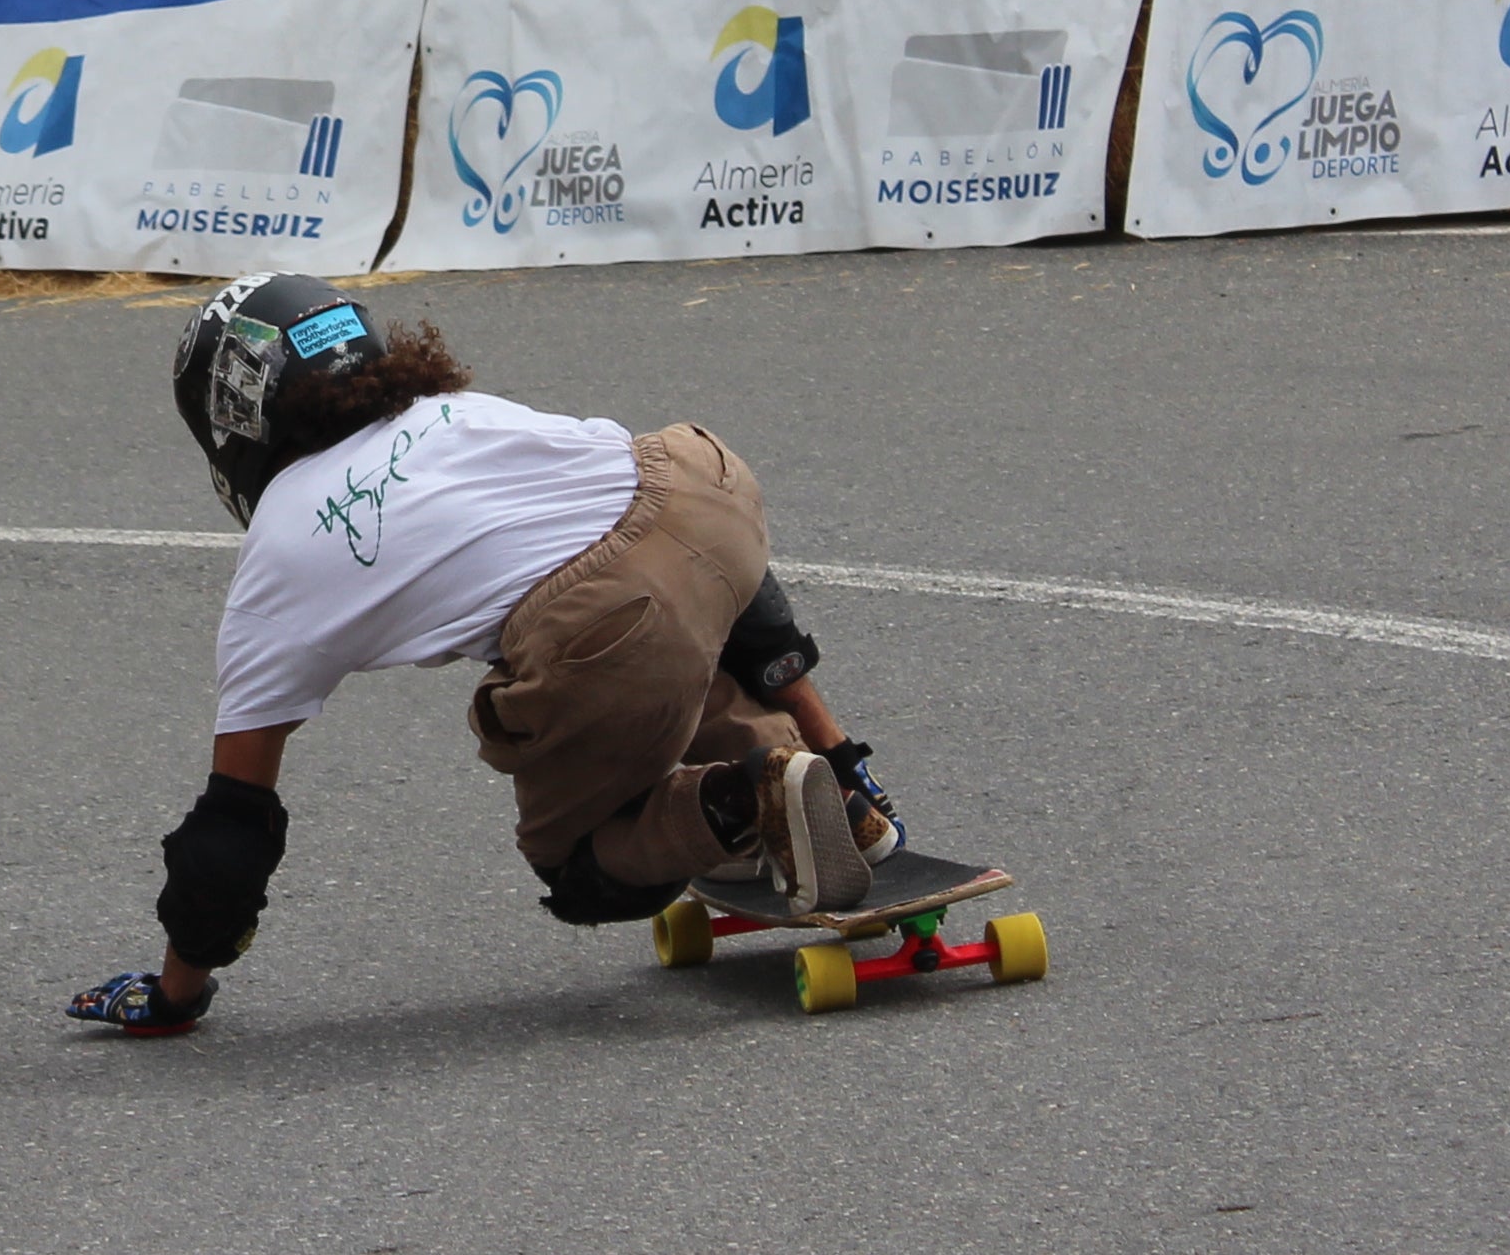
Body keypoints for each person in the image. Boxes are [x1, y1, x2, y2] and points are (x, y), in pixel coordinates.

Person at [69, 271, 904, 1039]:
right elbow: (685, 558)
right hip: (704, 485)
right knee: (674, 603)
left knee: (580, 865)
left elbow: (231, 831)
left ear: (232, 414)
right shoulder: (450, 411)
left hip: (613, 616)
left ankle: (745, 799)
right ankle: (838, 786)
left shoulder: (283, 550)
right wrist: (835, 743)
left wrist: (178, 991)